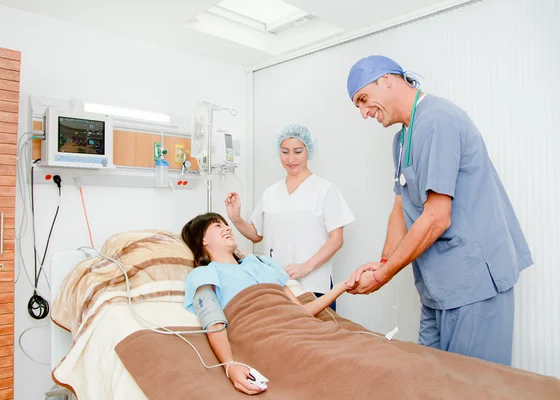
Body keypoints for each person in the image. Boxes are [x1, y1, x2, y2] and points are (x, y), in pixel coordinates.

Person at [344, 55, 533, 366]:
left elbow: (436, 217)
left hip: (472, 283)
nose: (364, 113)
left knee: (476, 386)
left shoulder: (439, 119)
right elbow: (400, 208)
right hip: (437, 287)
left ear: (387, 79)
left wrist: (382, 276)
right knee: (433, 380)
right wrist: (381, 263)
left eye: (364, 100)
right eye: (358, 107)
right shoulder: (401, 140)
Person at [180, 212, 349, 395]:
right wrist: (230, 365)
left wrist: (344, 286)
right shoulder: (203, 274)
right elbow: (214, 322)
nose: (227, 228)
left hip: (302, 328)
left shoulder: (260, 262)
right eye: (217, 226)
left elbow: (302, 312)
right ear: (203, 240)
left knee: (345, 352)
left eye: (226, 224)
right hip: (264, 335)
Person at [224, 124, 355, 310]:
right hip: (278, 285)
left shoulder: (324, 190)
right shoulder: (271, 192)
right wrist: (236, 218)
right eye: (285, 152)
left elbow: (337, 239)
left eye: (298, 151)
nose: (291, 159)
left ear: (308, 151)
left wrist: (306, 267)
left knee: (320, 335)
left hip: (314, 285)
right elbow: (256, 234)